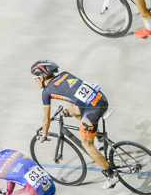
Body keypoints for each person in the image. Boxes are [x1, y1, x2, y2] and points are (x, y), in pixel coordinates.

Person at [31, 60, 119, 188]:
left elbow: (46, 119)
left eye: (35, 78)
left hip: (91, 111)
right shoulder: (65, 75)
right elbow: (73, 93)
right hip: (101, 100)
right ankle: (99, 135)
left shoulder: (46, 92)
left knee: (86, 144)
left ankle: (111, 174)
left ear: (41, 77)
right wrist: (68, 109)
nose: (35, 81)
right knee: (72, 111)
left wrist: (44, 134)